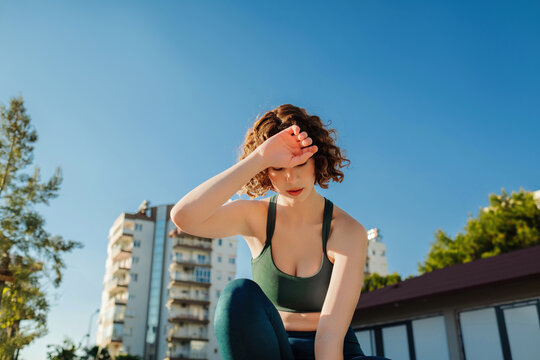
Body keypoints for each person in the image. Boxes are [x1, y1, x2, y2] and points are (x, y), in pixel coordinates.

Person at [170, 104, 391, 360]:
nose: (290, 178)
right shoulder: (256, 217)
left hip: (333, 349)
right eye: (278, 168)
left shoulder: (346, 231)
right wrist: (260, 158)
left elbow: (329, 338)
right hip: (270, 348)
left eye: (300, 164)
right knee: (237, 295)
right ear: (266, 173)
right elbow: (184, 216)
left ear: (317, 161)